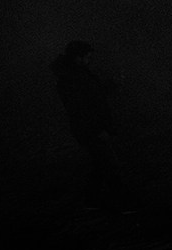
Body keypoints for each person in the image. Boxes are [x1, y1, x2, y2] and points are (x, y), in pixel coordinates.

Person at [51, 41, 121, 210]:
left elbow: (94, 95)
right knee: (110, 165)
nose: (89, 60)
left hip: (91, 128)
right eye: (87, 57)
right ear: (77, 57)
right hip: (90, 130)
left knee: (100, 165)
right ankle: (122, 201)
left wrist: (111, 85)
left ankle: (92, 200)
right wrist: (97, 130)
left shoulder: (78, 74)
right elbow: (80, 110)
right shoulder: (70, 79)